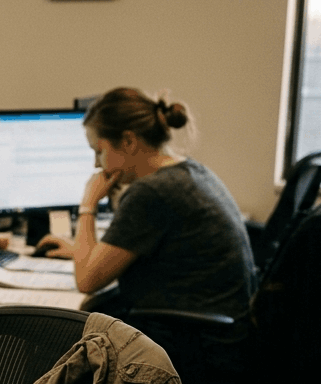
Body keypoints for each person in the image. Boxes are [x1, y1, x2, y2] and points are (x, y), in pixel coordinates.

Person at [36, 88, 256, 337]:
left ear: (129, 142)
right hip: (224, 333)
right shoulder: (190, 171)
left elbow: (87, 280)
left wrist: (88, 203)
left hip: (195, 344)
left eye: (99, 151)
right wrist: (79, 251)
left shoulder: (152, 192)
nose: (96, 164)